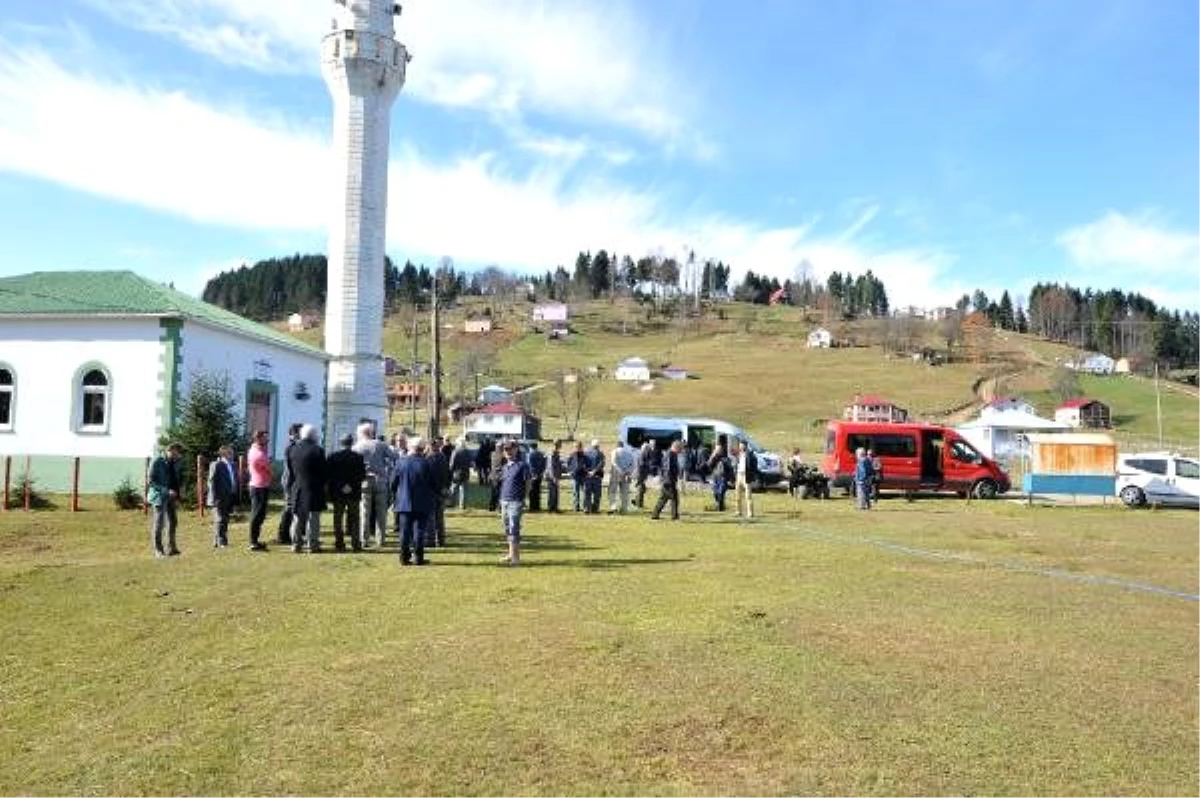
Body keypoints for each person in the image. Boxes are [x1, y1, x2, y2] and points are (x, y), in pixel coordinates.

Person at [390, 435, 434, 565]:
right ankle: (418, 558)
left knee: (404, 531)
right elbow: (433, 484)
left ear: (410, 447)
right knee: (419, 530)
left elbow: (393, 483)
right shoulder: (427, 463)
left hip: (404, 501)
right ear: (422, 448)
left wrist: (397, 494)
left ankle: (404, 557)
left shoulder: (401, 462)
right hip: (422, 502)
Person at [354, 421, 395, 549]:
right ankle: (380, 539)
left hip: (364, 481)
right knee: (381, 512)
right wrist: (385, 463)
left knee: (365, 512)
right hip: (380, 480)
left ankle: (364, 539)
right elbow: (394, 456)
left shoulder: (357, 447)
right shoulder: (381, 444)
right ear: (372, 432)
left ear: (361, 433)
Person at [287, 424, 327, 552]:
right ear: (314, 435)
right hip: (313, 488)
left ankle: (296, 544)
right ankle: (312, 545)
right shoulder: (318, 450)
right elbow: (323, 472)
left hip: (297, 487)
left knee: (297, 518)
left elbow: (290, 471)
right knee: (313, 518)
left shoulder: (292, 449)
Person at [327, 433, 366, 551]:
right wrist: (350, 486)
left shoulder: (333, 456)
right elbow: (362, 475)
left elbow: (330, 476)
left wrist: (341, 486)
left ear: (341, 443)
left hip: (338, 493)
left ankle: (339, 543)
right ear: (352, 442)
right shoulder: (358, 457)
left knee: (338, 518)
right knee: (354, 518)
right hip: (354, 492)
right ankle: (356, 544)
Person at [498, 440, 531, 566]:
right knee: (507, 529)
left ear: (516, 449)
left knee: (514, 529)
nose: (508, 451)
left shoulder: (522, 465)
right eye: (505, 449)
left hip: (515, 502)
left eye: (510, 449)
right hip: (504, 501)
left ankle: (516, 558)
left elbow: (528, 482)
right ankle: (510, 554)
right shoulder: (505, 466)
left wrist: (524, 498)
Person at [148, 442, 183, 557]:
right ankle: (158, 550)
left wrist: (177, 494)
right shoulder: (157, 461)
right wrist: (166, 490)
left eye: (178, 453)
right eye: (177, 452)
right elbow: (151, 481)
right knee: (159, 523)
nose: (178, 455)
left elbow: (175, 478)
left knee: (173, 521)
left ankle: (171, 548)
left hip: (171, 496)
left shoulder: (175, 461)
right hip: (159, 496)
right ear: (171, 450)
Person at [206, 444, 238, 548]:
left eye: (232, 452)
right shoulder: (216, 464)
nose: (232, 454)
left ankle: (217, 540)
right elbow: (211, 482)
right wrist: (214, 497)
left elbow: (233, 480)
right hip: (218, 497)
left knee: (225, 519)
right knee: (220, 519)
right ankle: (222, 542)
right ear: (224, 454)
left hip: (229, 496)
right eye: (230, 452)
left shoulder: (232, 465)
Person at [276, 422, 302, 545]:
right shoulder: (291, 446)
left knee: (290, 507)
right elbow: (291, 468)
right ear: (295, 433)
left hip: (290, 480)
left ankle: (286, 533)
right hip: (290, 481)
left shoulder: (293, 445)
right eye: (300, 432)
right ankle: (283, 535)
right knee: (289, 507)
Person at [245, 429, 271, 551]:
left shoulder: (254, 449)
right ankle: (253, 542)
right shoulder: (258, 454)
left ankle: (255, 540)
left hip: (259, 485)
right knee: (257, 515)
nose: (267, 440)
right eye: (265, 438)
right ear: (258, 439)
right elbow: (268, 469)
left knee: (260, 514)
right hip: (259, 487)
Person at [425, 435, 450, 547]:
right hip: (441, 491)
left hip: (431, 492)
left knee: (431, 518)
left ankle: (431, 540)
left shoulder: (428, 459)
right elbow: (447, 474)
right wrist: (445, 487)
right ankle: (441, 540)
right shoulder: (443, 457)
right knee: (440, 518)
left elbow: (428, 477)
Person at [650, 440, 682, 521]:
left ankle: (655, 514)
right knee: (674, 499)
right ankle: (674, 516)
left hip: (667, 480)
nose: (681, 451)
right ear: (676, 447)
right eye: (680, 449)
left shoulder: (672, 454)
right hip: (669, 481)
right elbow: (668, 468)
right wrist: (669, 481)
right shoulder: (670, 454)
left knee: (663, 498)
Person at [608, 438, 636, 514]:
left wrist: (621, 471)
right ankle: (624, 509)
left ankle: (613, 507)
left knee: (612, 491)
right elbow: (633, 465)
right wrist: (628, 472)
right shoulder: (629, 453)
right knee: (624, 492)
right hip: (627, 475)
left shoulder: (615, 451)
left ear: (617, 445)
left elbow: (614, 462)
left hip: (616, 474)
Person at [733, 440, 758, 519]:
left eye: (742, 445)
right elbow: (736, 464)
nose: (740, 446)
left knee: (748, 496)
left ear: (745, 446)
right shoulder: (738, 454)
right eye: (740, 445)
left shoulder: (750, 454)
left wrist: (752, 475)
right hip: (739, 475)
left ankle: (750, 513)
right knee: (737, 495)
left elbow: (754, 465)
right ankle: (738, 511)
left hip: (746, 476)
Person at [707, 441, 732, 512]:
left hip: (723, 477)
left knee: (721, 493)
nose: (718, 451)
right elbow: (709, 465)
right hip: (715, 477)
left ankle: (721, 508)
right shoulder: (714, 458)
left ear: (722, 450)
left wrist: (731, 479)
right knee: (715, 492)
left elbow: (730, 469)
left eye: (720, 449)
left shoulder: (726, 458)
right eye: (717, 449)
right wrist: (713, 456)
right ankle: (720, 505)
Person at [449, 437, 473, 509]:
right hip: (466, 473)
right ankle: (462, 505)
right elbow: (470, 463)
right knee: (463, 490)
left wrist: (450, 472)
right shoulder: (468, 452)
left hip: (457, 473)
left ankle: (452, 503)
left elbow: (452, 464)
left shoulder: (455, 451)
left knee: (454, 489)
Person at [583, 439, 605, 514]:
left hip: (587, 476)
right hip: (597, 476)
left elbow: (583, 464)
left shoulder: (585, 453)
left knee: (587, 493)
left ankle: (586, 508)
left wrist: (588, 471)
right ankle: (595, 509)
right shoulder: (600, 454)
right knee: (597, 494)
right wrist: (594, 471)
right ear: (598, 446)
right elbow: (601, 464)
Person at [634, 440, 656, 509]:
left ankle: (637, 502)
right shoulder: (643, 454)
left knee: (642, 489)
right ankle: (639, 503)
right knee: (641, 489)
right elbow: (641, 465)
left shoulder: (643, 454)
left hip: (641, 474)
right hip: (641, 474)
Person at [526, 442, 547, 512]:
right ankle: (537, 506)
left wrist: (532, 474)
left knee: (532, 492)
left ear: (530, 447)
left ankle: (532, 507)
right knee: (537, 491)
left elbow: (530, 466)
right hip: (539, 475)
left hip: (532, 475)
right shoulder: (541, 454)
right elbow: (544, 464)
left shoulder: (530, 454)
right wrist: (541, 472)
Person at [567, 441, 587, 512]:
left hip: (583, 476)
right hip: (575, 476)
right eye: (575, 447)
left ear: (581, 447)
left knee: (584, 492)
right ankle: (576, 507)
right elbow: (568, 464)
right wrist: (570, 471)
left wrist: (586, 470)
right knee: (576, 492)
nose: (576, 448)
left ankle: (585, 507)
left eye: (578, 447)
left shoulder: (585, 456)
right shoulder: (572, 455)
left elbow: (588, 464)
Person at [545, 439, 564, 513]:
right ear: (557, 444)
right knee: (552, 493)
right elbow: (551, 466)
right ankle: (551, 508)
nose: (561, 445)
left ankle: (555, 508)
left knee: (555, 492)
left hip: (555, 476)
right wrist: (554, 477)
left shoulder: (555, 452)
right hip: (552, 476)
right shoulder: (553, 452)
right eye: (560, 444)